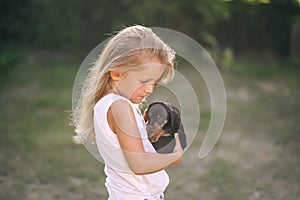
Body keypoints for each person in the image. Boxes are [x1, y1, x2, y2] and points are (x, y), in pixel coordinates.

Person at [72, 25, 183, 200]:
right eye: (145, 81)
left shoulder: (108, 104)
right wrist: (174, 157)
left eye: (154, 83)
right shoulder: (120, 107)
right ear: (116, 72)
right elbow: (138, 164)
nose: (149, 90)